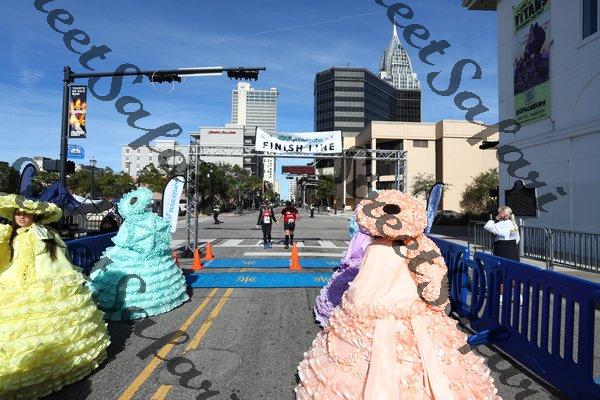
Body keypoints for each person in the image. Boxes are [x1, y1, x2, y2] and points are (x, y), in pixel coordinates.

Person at [295, 190, 500, 399]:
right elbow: (431, 278)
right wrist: (437, 305)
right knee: (423, 354)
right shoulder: (414, 246)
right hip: (405, 306)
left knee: (360, 356)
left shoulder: (374, 246)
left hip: (366, 305)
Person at [0, 194, 110, 399]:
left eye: (26, 213)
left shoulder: (46, 233)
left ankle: (53, 369)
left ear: (35, 215)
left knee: (46, 324)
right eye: (18, 213)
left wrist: (58, 282)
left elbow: (58, 258)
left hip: (44, 283)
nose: (21, 216)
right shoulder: (13, 235)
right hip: (16, 282)